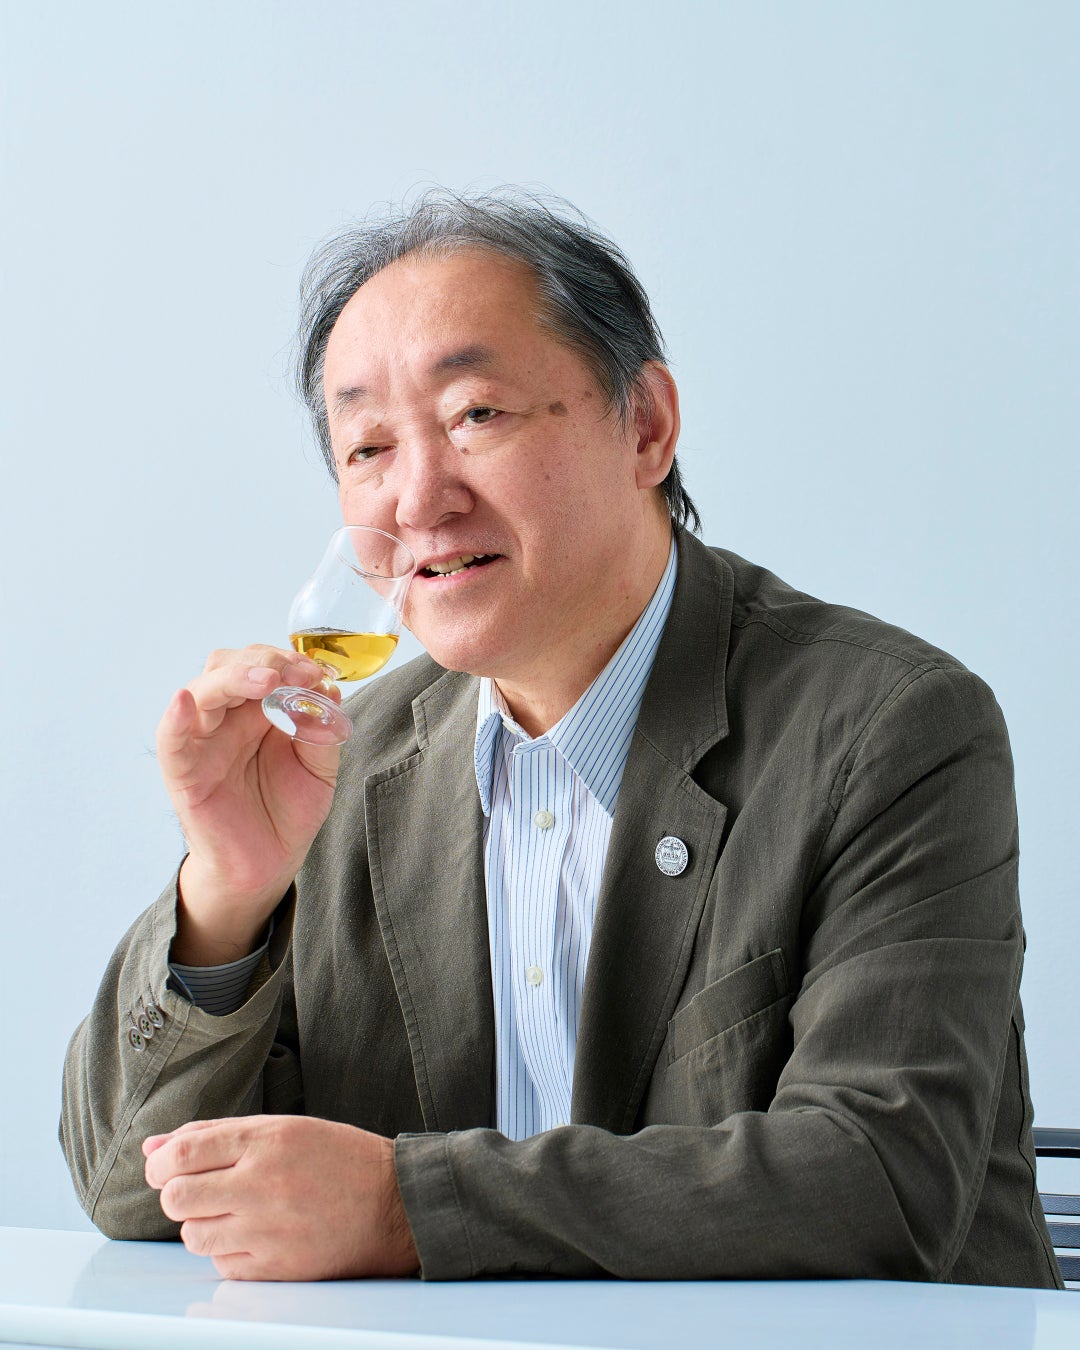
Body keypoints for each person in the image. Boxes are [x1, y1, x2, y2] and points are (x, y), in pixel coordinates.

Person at [61, 191, 1062, 1288]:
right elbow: (127, 1188)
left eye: (475, 414)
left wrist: (409, 1207)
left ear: (647, 427)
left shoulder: (887, 724)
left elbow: (880, 1178)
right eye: (369, 446)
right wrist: (226, 896)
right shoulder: (341, 761)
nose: (419, 499)